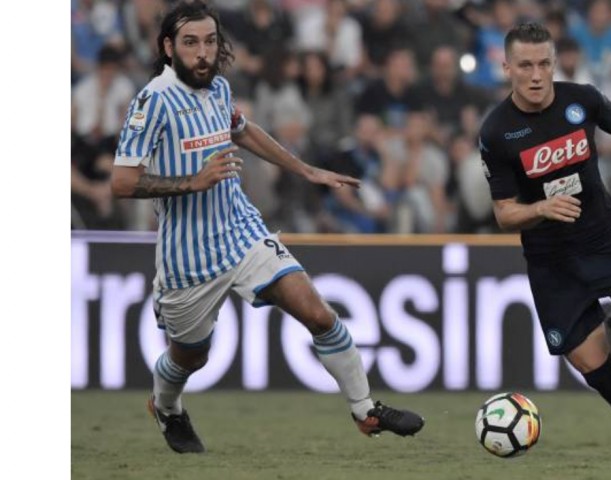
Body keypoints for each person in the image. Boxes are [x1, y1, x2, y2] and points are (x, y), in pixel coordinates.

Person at [110, 1, 424, 454]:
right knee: (190, 356)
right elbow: (122, 181)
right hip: (187, 256)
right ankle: (166, 405)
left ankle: (364, 409)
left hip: (240, 231)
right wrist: (192, 182)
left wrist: (306, 170)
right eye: (191, 43)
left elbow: (243, 129)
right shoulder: (152, 101)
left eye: (210, 41)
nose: (203, 52)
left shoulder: (217, 89)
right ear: (168, 47)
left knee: (316, 312)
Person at [477, 22, 611, 463]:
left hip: (606, 240)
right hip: (551, 261)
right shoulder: (497, 130)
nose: (536, 75)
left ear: (554, 63)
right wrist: (540, 209)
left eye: (543, 64)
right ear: (506, 67)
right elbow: (504, 213)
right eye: (525, 65)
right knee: (596, 371)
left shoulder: (582, 99)